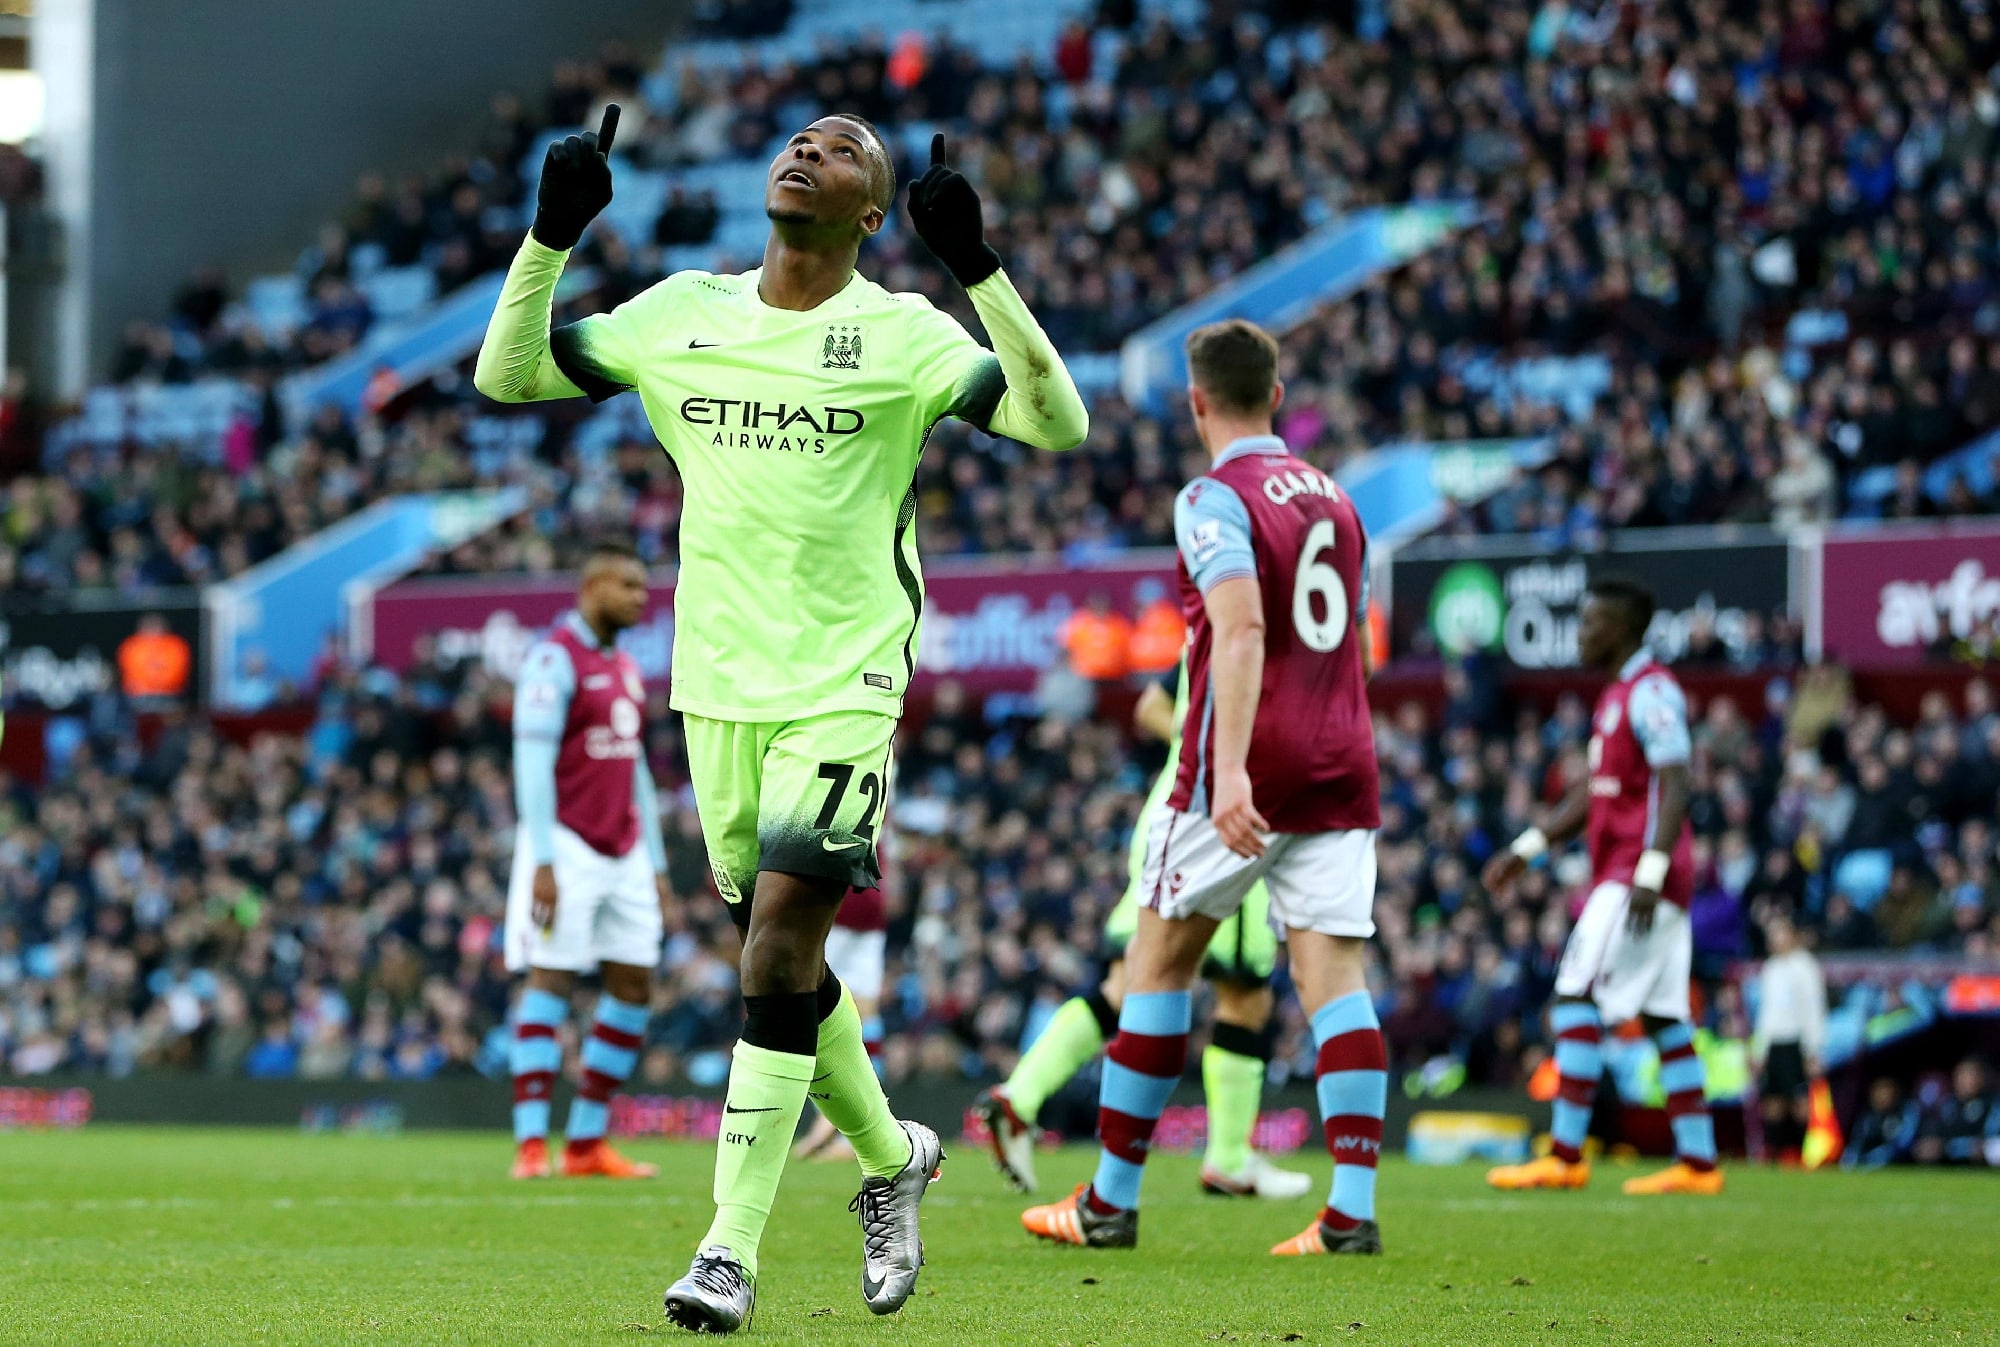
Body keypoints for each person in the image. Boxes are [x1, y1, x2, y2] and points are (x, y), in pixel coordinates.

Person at [476, 107, 1088, 1332]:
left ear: (874, 213)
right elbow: (507, 376)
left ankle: (727, 1252)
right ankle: (891, 1156)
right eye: (799, 141)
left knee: (774, 952)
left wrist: (977, 267)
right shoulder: (680, 312)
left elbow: (1054, 422)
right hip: (715, 689)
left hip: (845, 684)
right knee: (785, 969)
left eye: (844, 149)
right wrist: (550, 234)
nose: (809, 152)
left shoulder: (902, 333)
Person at [1019, 319, 1386, 1258]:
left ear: (1196, 403)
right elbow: (1348, 641)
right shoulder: (1337, 498)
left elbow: (1243, 627)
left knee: (1157, 964)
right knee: (1334, 981)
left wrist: (1228, 771)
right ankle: (1350, 1211)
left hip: (1246, 765)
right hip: (1342, 760)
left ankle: (1109, 1201)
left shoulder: (1211, 497)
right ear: (1276, 394)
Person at [975, 663, 1312, 1201]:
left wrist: (1193, 737)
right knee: (1243, 993)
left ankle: (1020, 1097)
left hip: (1171, 810)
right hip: (1223, 817)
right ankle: (1224, 1160)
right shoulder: (1255, 633)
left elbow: (1151, 706)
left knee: (1128, 983)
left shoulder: (1205, 634)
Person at [1485, 575, 1725, 1196]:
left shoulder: (1651, 691)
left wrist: (1650, 870)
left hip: (1634, 875)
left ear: (1622, 630)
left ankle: (1566, 1154)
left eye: (1591, 622)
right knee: (1663, 1015)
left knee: (1574, 996)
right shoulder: (1616, 696)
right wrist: (1527, 849)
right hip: (1634, 872)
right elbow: (1593, 797)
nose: (1581, 633)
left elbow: (1676, 781)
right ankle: (1699, 1164)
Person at [503, 540, 669, 1181]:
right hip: (566, 843)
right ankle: (530, 1145)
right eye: (628, 586)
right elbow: (532, 763)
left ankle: (584, 1143)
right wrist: (542, 860)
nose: (639, 598)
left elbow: (635, 770)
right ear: (593, 587)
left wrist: (656, 863)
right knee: (552, 978)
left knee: (634, 985)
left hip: (624, 849)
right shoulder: (553, 660)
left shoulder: (625, 665)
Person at [1750, 913, 1826, 1162]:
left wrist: (1812, 1049)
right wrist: (1759, 1050)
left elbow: (1813, 1010)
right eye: (1771, 935)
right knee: (1772, 1101)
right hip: (1774, 1043)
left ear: (1792, 936)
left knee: (1799, 1101)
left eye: (1779, 933)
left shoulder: (1805, 967)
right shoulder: (1770, 968)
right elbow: (1765, 1013)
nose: (1775, 940)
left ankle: (1799, 1152)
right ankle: (1774, 1151)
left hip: (1795, 1042)